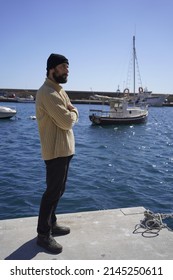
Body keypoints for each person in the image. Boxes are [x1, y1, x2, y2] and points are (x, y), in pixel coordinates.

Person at [35, 53, 79, 254]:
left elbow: (67, 114)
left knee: (59, 190)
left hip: (64, 150)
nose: (67, 70)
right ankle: (43, 235)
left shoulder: (59, 91)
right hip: (55, 152)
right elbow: (67, 121)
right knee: (52, 192)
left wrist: (70, 110)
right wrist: (74, 112)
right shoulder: (47, 93)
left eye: (67, 67)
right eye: (63, 67)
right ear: (52, 69)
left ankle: (51, 223)